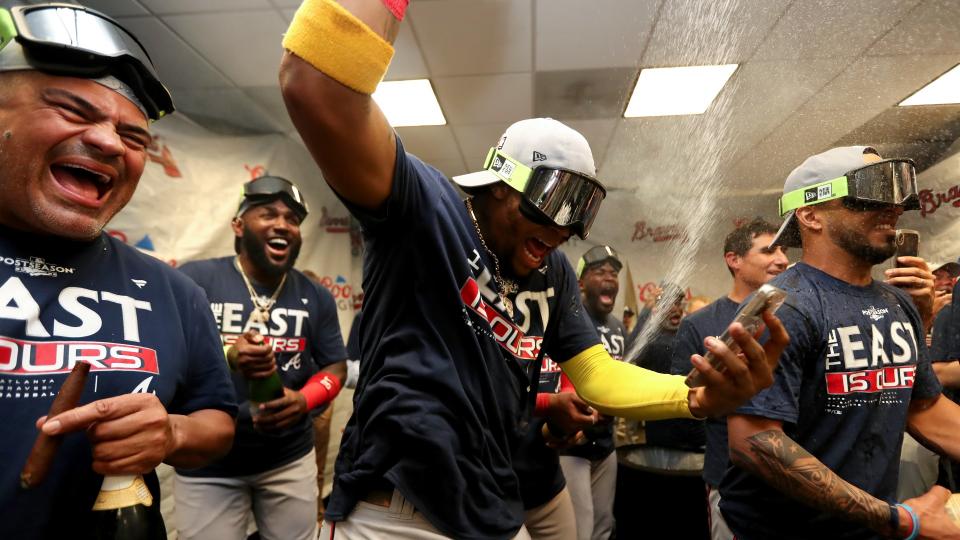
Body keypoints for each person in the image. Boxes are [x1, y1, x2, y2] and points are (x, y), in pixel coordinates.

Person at [278, 2, 786, 538]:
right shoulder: (425, 210)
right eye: (552, 203)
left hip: (495, 508)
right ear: (499, 184)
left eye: (579, 214)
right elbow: (312, 83)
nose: (564, 230)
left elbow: (595, 374)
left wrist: (690, 397)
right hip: (396, 512)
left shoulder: (555, 272)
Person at [0, 4, 237, 538]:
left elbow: (218, 423)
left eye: (133, 138)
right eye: (73, 111)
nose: (109, 142)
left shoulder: (175, 292)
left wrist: (172, 433)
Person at [721, 146, 960, 539]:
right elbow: (754, 441)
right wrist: (896, 520)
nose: (893, 208)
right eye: (871, 193)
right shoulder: (782, 308)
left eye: (895, 195)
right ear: (811, 214)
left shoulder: (897, 302)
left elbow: (924, 406)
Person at [173, 176, 347, 540]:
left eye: (292, 219)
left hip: (288, 458)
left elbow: (335, 366)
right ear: (239, 225)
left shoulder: (316, 295)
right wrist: (228, 353)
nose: (283, 224)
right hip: (208, 463)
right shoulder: (194, 280)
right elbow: (169, 354)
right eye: (268, 214)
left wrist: (304, 400)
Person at [669, 218, 788, 540]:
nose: (782, 259)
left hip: (792, 478)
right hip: (728, 479)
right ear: (734, 260)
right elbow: (681, 401)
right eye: (768, 251)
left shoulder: (794, 315)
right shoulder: (699, 323)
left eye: (784, 250)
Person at [556, 245, 627, 540]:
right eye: (599, 272)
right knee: (579, 530)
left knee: (603, 525)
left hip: (605, 445)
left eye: (613, 273)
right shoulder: (569, 321)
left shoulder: (619, 327)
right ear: (581, 282)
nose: (609, 278)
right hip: (572, 446)